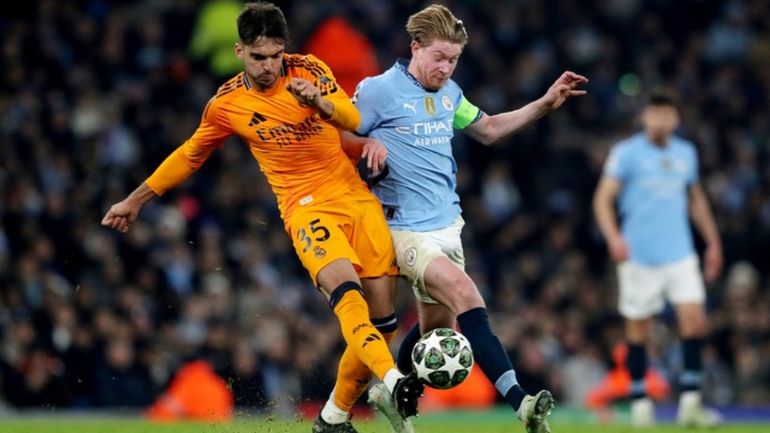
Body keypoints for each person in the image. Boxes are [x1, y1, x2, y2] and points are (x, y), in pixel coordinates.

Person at [100, 3, 422, 432]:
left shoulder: (310, 69)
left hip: (355, 200)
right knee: (347, 294)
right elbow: (190, 154)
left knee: (383, 324)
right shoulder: (228, 103)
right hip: (306, 209)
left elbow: (354, 119)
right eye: (258, 57)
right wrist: (135, 200)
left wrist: (321, 102)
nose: (268, 66)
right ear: (239, 51)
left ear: (284, 48)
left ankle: (333, 418)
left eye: (274, 55)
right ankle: (394, 378)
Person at [326, 5, 588, 433]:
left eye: (453, 60)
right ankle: (522, 405)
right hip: (403, 229)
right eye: (438, 58)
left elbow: (488, 129)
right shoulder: (378, 90)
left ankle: (390, 395)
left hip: (449, 226)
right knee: (467, 295)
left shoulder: (450, 94)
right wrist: (366, 146)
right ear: (416, 47)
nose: (445, 68)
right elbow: (339, 133)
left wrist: (544, 103)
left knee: (436, 333)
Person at [593, 89, 723, 427]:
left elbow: (696, 200)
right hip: (639, 256)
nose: (660, 120)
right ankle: (640, 404)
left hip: (680, 253)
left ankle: (691, 404)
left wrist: (712, 242)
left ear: (676, 119)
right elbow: (602, 199)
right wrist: (614, 237)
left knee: (694, 319)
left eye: (666, 114)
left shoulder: (686, 153)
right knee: (638, 330)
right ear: (645, 117)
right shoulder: (626, 153)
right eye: (654, 113)